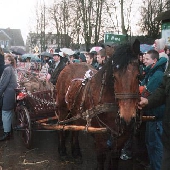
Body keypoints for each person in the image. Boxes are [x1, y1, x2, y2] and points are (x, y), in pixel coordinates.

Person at [139, 49, 167, 170]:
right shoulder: (151, 73)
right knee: (150, 144)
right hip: (151, 117)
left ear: (154, 60)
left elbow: (146, 93)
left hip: (156, 118)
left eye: (147, 59)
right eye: (144, 59)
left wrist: (142, 90)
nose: (144, 61)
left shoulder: (158, 75)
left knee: (156, 146)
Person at [0, 54, 17, 141]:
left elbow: (3, 84)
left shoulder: (7, 69)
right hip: (11, 93)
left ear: (9, 61)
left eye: (6, 59)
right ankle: (9, 131)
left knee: (5, 112)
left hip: (7, 93)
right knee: (9, 113)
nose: (4, 60)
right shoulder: (11, 69)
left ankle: (7, 134)